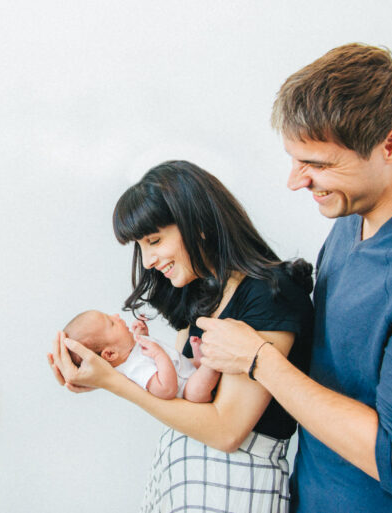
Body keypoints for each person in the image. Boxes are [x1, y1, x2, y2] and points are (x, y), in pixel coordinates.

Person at [195, 43, 392, 512]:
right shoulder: (349, 215)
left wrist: (260, 361)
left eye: (317, 165)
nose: (295, 181)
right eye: (295, 160)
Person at [48, 160, 314, 512]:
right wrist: (105, 371)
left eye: (154, 241)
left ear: (198, 224)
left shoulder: (268, 295)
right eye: (140, 247)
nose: (147, 261)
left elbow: (226, 431)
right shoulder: (200, 294)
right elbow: (182, 399)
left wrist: (114, 381)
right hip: (184, 479)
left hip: (234, 486)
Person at [63, 309, 219, 402]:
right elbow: (166, 389)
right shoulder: (134, 368)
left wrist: (142, 334)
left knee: (192, 362)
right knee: (195, 391)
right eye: (111, 323)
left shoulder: (130, 351)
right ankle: (213, 361)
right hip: (186, 389)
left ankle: (200, 360)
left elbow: (140, 348)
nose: (117, 316)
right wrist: (159, 356)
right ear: (110, 354)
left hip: (186, 369)